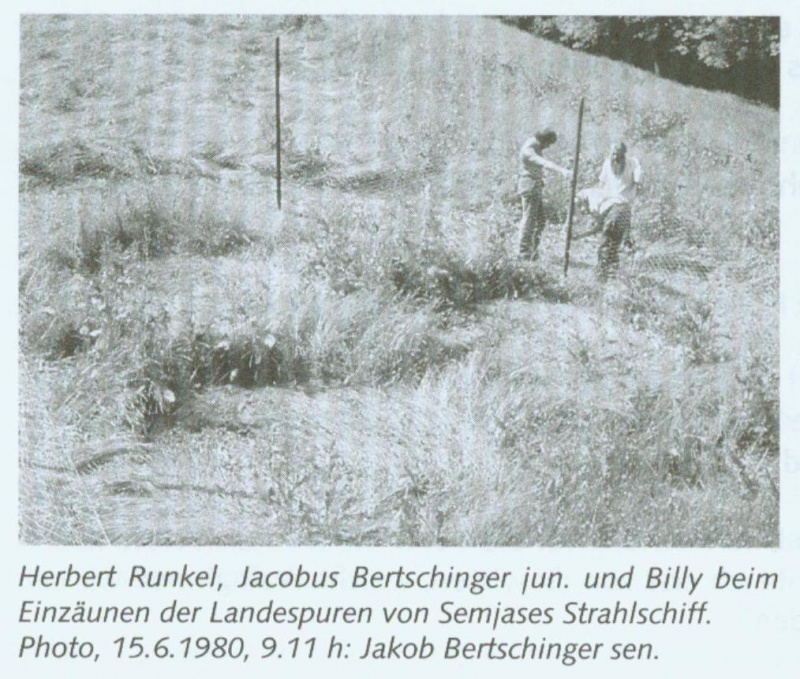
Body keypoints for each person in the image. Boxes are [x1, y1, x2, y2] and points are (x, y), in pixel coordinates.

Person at [572, 141, 642, 280]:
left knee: (608, 242)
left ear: (624, 154)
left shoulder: (632, 163)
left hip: (620, 206)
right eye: (613, 154)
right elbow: (602, 183)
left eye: (619, 155)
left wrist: (636, 181)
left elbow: (639, 181)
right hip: (613, 207)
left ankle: (603, 275)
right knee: (612, 243)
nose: (615, 157)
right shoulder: (606, 165)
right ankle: (610, 275)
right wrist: (578, 236)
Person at [516, 129, 572, 261]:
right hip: (530, 187)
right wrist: (562, 171)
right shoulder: (529, 150)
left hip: (534, 186)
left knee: (540, 221)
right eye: (548, 144)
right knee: (529, 220)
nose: (548, 147)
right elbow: (544, 163)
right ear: (543, 140)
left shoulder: (534, 146)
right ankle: (523, 253)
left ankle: (533, 251)